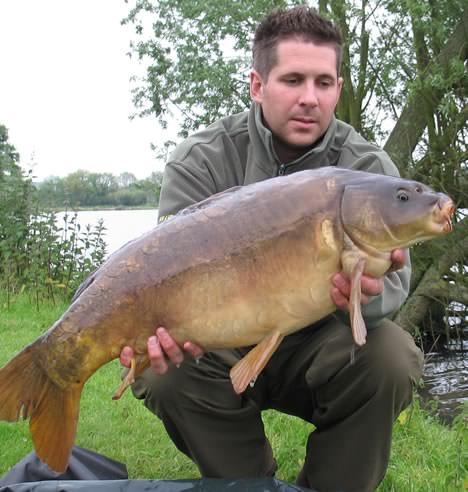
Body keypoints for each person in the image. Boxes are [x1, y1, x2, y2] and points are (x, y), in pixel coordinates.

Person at [120, 6, 424, 492]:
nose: (310, 98)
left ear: (338, 90)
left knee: (391, 358)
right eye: (293, 80)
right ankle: (246, 484)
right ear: (257, 85)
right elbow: (165, 274)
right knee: (164, 374)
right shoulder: (202, 159)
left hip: (317, 338)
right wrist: (160, 326)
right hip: (222, 336)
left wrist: (366, 293)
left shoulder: (367, 168)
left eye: (324, 83)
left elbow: (394, 286)